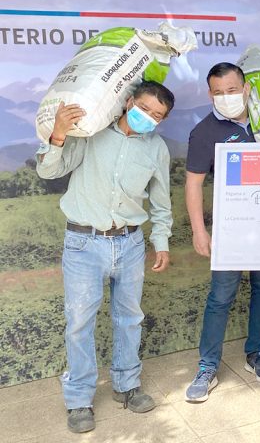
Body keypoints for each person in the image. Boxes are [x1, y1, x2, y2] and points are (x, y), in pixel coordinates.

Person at [36, 81, 175, 434]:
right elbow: (48, 171)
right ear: (129, 101)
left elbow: (160, 202)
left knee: (129, 317)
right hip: (84, 243)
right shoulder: (92, 135)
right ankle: (79, 399)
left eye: (157, 115)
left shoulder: (156, 149)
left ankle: (127, 385)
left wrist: (161, 242)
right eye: (144, 108)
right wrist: (58, 134)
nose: (149, 117)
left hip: (129, 244)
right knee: (80, 322)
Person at [184, 62, 260, 403]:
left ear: (247, 88)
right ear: (210, 94)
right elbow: (193, 184)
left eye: (233, 90)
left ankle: (256, 354)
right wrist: (199, 230)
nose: (226, 97)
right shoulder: (204, 132)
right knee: (221, 297)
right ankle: (207, 366)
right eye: (219, 92)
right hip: (231, 231)